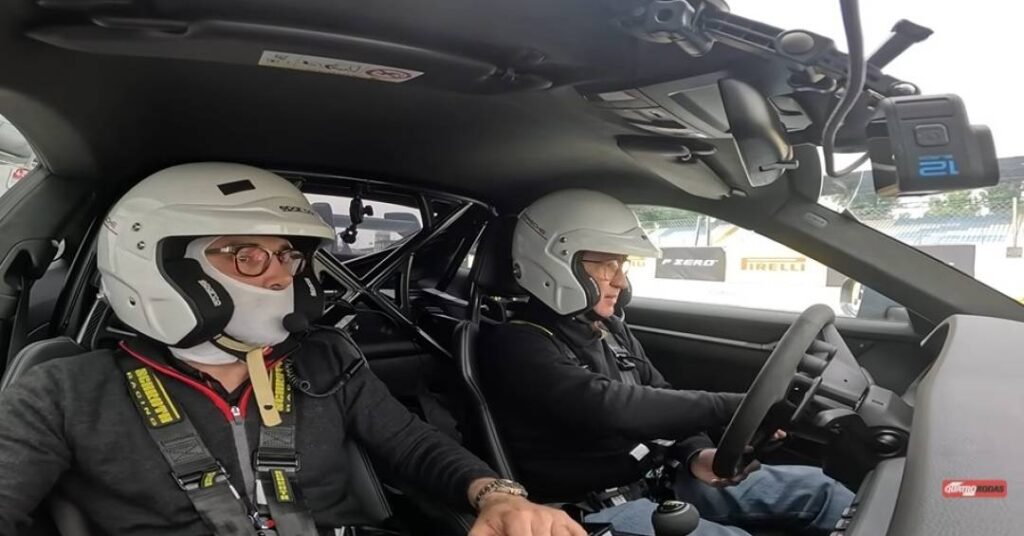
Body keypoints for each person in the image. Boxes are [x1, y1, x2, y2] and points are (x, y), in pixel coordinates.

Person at [0, 163, 585, 536]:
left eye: (287, 256)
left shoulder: (325, 360)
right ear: (159, 266)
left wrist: (496, 496)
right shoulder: (63, 390)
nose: (283, 277)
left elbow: (413, 446)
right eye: (247, 256)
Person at [479, 189, 854, 536]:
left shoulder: (608, 329)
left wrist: (696, 454)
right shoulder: (517, 344)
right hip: (593, 510)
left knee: (824, 491)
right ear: (555, 263)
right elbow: (610, 407)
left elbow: (659, 393)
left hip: (662, 481)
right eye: (606, 265)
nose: (620, 281)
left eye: (622, 264)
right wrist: (735, 406)